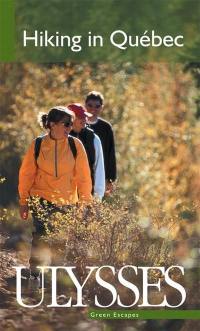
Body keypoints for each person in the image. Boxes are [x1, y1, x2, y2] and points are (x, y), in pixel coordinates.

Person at [18, 106, 92, 278]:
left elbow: (84, 178)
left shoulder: (76, 145)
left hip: (67, 201)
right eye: (66, 124)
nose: (69, 128)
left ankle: (54, 280)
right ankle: (35, 276)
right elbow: (26, 175)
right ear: (52, 124)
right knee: (41, 236)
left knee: (59, 241)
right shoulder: (37, 144)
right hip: (41, 198)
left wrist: (85, 204)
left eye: (71, 124)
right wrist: (23, 202)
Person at [68, 103, 105, 200]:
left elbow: (99, 168)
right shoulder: (60, 137)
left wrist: (98, 196)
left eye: (85, 117)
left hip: (88, 197)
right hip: (64, 198)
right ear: (71, 119)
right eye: (80, 117)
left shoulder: (93, 139)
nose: (84, 120)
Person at [85, 91, 117, 195]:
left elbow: (110, 153)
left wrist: (110, 179)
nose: (93, 109)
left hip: (99, 173)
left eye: (97, 106)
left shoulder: (106, 127)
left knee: (95, 205)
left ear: (101, 107)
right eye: (90, 105)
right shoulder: (78, 124)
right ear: (85, 105)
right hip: (82, 172)